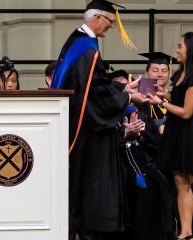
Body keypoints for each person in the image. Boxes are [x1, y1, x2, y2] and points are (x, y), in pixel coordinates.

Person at [50, 1, 149, 239]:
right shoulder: (87, 50)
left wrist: (123, 90)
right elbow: (96, 93)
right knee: (88, 186)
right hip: (86, 132)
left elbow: (97, 86)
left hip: (76, 121)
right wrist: (126, 95)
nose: (111, 27)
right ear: (96, 18)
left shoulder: (76, 41)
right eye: (109, 21)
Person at [147, 32, 193, 240]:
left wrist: (161, 103)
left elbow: (187, 112)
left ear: (190, 49)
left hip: (190, 135)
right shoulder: (182, 73)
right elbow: (180, 101)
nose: (177, 49)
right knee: (181, 182)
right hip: (176, 134)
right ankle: (186, 232)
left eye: (180, 46)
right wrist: (167, 96)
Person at [119, 106, 175, 240]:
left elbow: (156, 146)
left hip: (145, 165)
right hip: (119, 166)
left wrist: (140, 135)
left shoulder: (143, 117)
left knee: (155, 185)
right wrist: (124, 132)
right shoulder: (109, 117)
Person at [137, 52, 177, 120]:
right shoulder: (139, 97)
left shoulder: (174, 96)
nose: (160, 74)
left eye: (164, 71)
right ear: (147, 73)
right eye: (155, 71)